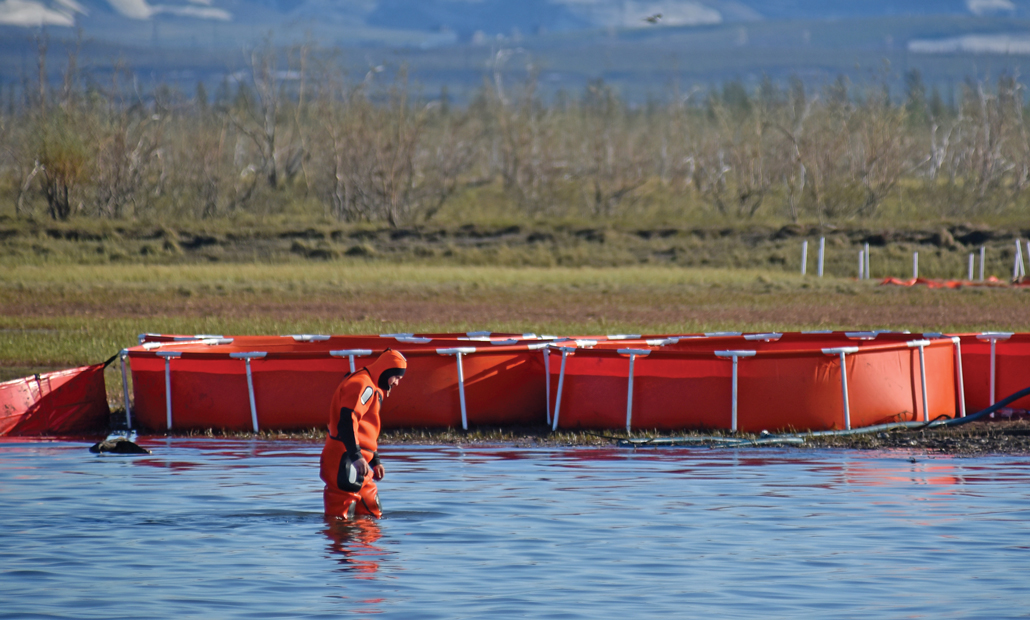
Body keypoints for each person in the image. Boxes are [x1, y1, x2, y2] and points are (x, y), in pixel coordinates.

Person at [320, 349, 407, 520]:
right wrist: (356, 456)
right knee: (342, 514)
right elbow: (347, 421)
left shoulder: (375, 387)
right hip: (344, 458)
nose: (397, 383)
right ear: (386, 370)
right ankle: (341, 544)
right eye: (396, 377)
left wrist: (375, 460)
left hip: (361, 461)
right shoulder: (362, 385)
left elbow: (364, 429)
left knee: (372, 511)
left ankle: (368, 546)